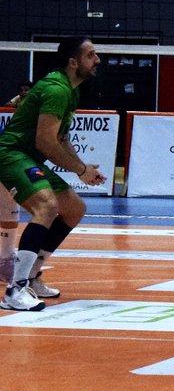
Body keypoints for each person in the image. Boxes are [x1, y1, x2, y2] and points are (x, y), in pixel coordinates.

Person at [0, 37, 109, 311]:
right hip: (10, 154)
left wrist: (83, 169)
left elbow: (60, 139)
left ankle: (32, 276)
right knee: (46, 207)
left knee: (74, 209)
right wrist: (80, 170)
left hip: (28, 158)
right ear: (73, 62)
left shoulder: (70, 90)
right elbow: (45, 142)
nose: (97, 60)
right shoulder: (56, 89)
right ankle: (15, 290)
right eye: (91, 55)